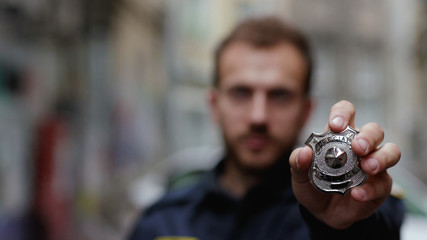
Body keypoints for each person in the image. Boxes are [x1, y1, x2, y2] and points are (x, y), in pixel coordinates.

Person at [128, 17, 404, 240]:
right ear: (214, 105)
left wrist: (342, 229)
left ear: (305, 110)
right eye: (240, 92)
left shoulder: (350, 208)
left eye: (279, 95)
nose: (258, 116)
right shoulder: (162, 222)